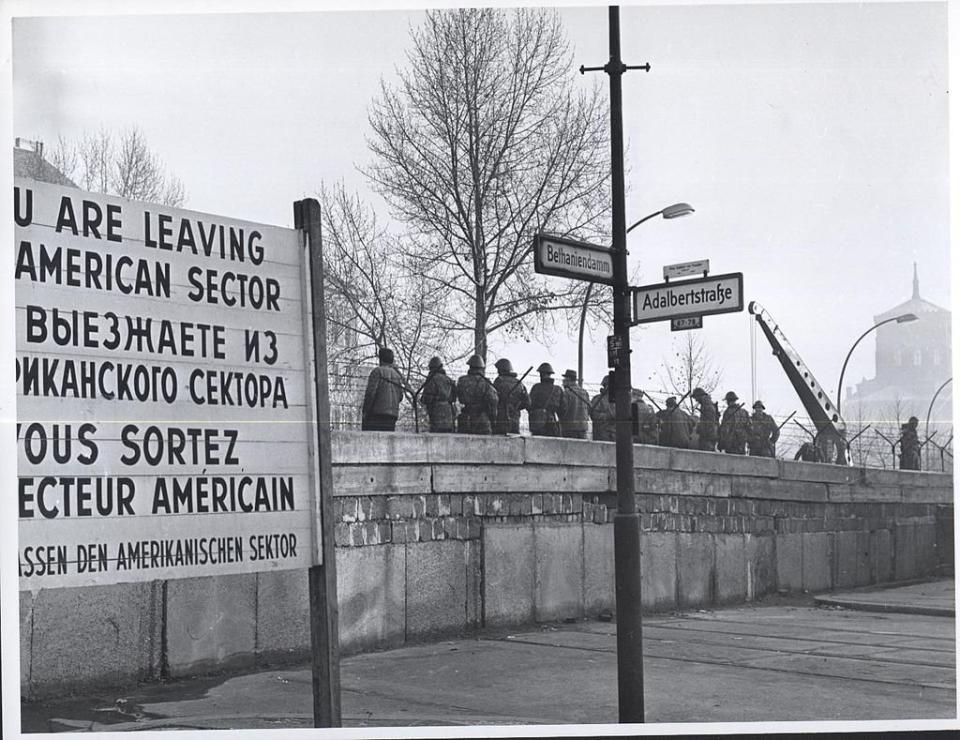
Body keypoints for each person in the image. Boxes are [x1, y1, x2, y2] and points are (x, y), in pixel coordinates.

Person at [361, 347, 404, 431]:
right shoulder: (397, 375)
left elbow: (370, 393)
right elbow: (400, 396)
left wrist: (365, 411)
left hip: (377, 414)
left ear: (380, 359)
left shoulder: (377, 371)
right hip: (392, 415)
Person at [456, 355, 498, 435]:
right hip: (482, 420)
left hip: (465, 418)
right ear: (481, 368)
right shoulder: (486, 383)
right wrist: (493, 419)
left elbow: (459, 397)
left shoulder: (462, 380)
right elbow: (493, 401)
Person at [420, 356, 457, 433]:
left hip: (436, 414)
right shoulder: (449, 380)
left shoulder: (431, 379)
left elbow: (425, 398)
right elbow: (454, 398)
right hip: (449, 415)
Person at [492, 358, 529, 435]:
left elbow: (492, 398)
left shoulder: (499, 381)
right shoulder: (519, 383)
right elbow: (528, 402)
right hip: (515, 419)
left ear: (501, 369)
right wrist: (516, 407)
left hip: (500, 419)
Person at [529, 363, 566, 437]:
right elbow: (563, 409)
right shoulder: (557, 389)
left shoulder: (536, 387)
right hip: (552, 423)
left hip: (537, 423)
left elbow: (529, 404)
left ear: (541, 375)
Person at [560, 369, 591, 439]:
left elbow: (563, 409)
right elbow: (589, 409)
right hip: (583, 428)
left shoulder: (566, 393)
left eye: (565, 378)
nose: (563, 381)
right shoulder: (584, 392)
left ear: (568, 379)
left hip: (569, 428)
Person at [691, 387, 719, 452]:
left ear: (699, 396)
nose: (696, 400)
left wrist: (701, 429)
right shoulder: (706, 404)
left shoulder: (707, 405)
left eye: (696, 397)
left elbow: (709, 423)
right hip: (708, 436)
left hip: (707, 437)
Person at [589, 374, 616, 442]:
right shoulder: (598, 399)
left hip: (615, 435)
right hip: (602, 434)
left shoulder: (620, 401)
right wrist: (607, 416)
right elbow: (594, 415)